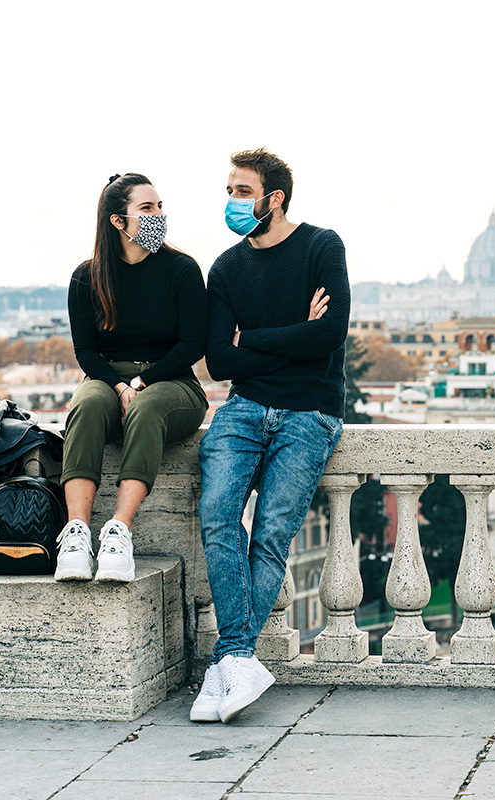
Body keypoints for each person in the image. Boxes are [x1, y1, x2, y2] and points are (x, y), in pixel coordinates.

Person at [192, 148, 349, 723]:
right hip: (244, 407)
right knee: (216, 512)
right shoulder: (226, 268)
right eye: (229, 190)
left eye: (240, 191)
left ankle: (228, 660)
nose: (231, 201)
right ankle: (237, 659)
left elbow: (330, 335)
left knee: (273, 534)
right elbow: (217, 360)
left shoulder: (321, 246)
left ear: (273, 198)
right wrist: (293, 335)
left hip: (310, 413)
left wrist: (253, 341)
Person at [58, 173, 208, 582]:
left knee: (148, 406)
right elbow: (87, 351)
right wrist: (120, 385)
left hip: (173, 382)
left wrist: (143, 383)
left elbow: (193, 343)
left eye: (160, 206)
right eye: (147, 208)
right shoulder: (86, 277)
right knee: (86, 405)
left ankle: (119, 530)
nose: (158, 215)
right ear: (117, 222)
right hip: (109, 380)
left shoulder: (182, 270)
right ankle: (76, 535)